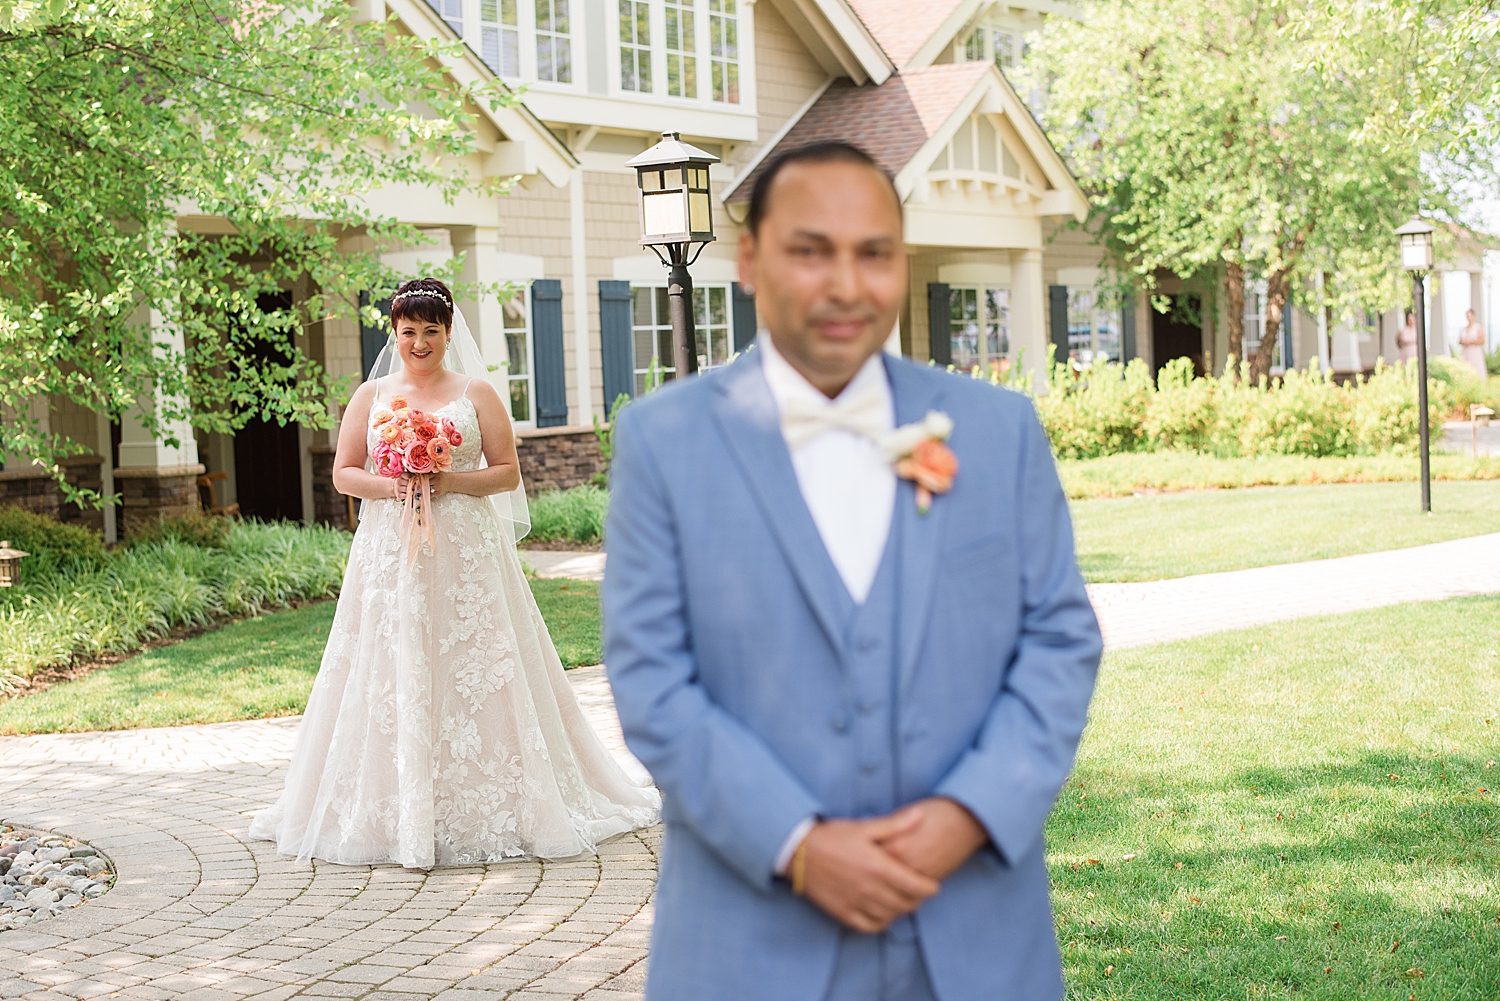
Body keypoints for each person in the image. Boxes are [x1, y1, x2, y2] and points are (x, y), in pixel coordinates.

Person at [603, 143, 1103, 1001]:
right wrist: (797, 842)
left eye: (874, 252)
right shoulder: (664, 441)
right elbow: (652, 681)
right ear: (752, 261)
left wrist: (969, 813)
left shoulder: (998, 429)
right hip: (750, 948)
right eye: (811, 249)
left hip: (976, 941)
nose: (846, 283)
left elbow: (1059, 641)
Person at [250, 278, 659, 868]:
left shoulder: (476, 393)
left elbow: (506, 474)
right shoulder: (371, 396)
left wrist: (444, 480)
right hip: (390, 551)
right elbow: (344, 473)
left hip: (466, 553)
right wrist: (398, 484)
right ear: (395, 334)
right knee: (392, 662)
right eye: (409, 332)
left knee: (476, 662)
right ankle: (393, 810)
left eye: (431, 332)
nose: (420, 343)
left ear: (447, 335)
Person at [1459, 308, 1487, 378]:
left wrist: (1471, 342)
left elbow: (1482, 340)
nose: (1468, 318)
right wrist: (1463, 342)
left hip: (1475, 352)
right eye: (1467, 316)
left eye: (1469, 316)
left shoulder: (1477, 327)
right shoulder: (1464, 328)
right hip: (1466, 352)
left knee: (1476, 368)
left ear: (1473, 316)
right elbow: (1459, 340)